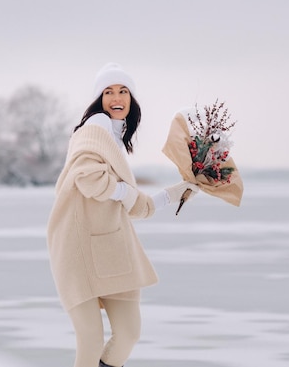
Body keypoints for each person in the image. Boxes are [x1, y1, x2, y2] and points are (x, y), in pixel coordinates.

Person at [46, 63, 198, 367]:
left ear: (132, 99)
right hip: (78, 249)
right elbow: (90, 180)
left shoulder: (112, 139)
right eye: (109, 91)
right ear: (98, 99)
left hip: (110, 249)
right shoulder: (94, 128)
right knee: (90, 340)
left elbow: (135, 206)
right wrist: (126, 193)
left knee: (128, 333)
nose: (117, 97)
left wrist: (176, 192)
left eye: (123, 91)